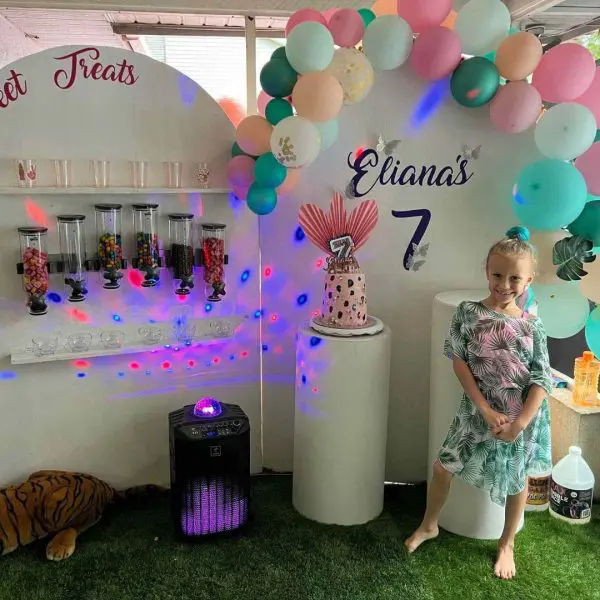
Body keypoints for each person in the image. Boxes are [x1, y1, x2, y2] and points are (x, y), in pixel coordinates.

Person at [405, 226, 553, 580]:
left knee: (516, 482)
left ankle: (507, 543)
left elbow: (542, 379)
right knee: (444, 467)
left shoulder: (533, 327)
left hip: (519, 415)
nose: (504, 284)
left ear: (529, 279)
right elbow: (459, 360)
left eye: (514, 278)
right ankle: (429, 524)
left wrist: (518, 423)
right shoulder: (468, 313)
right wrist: (484, 408)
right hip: (476, 410)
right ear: (486, 271)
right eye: (497, 274)